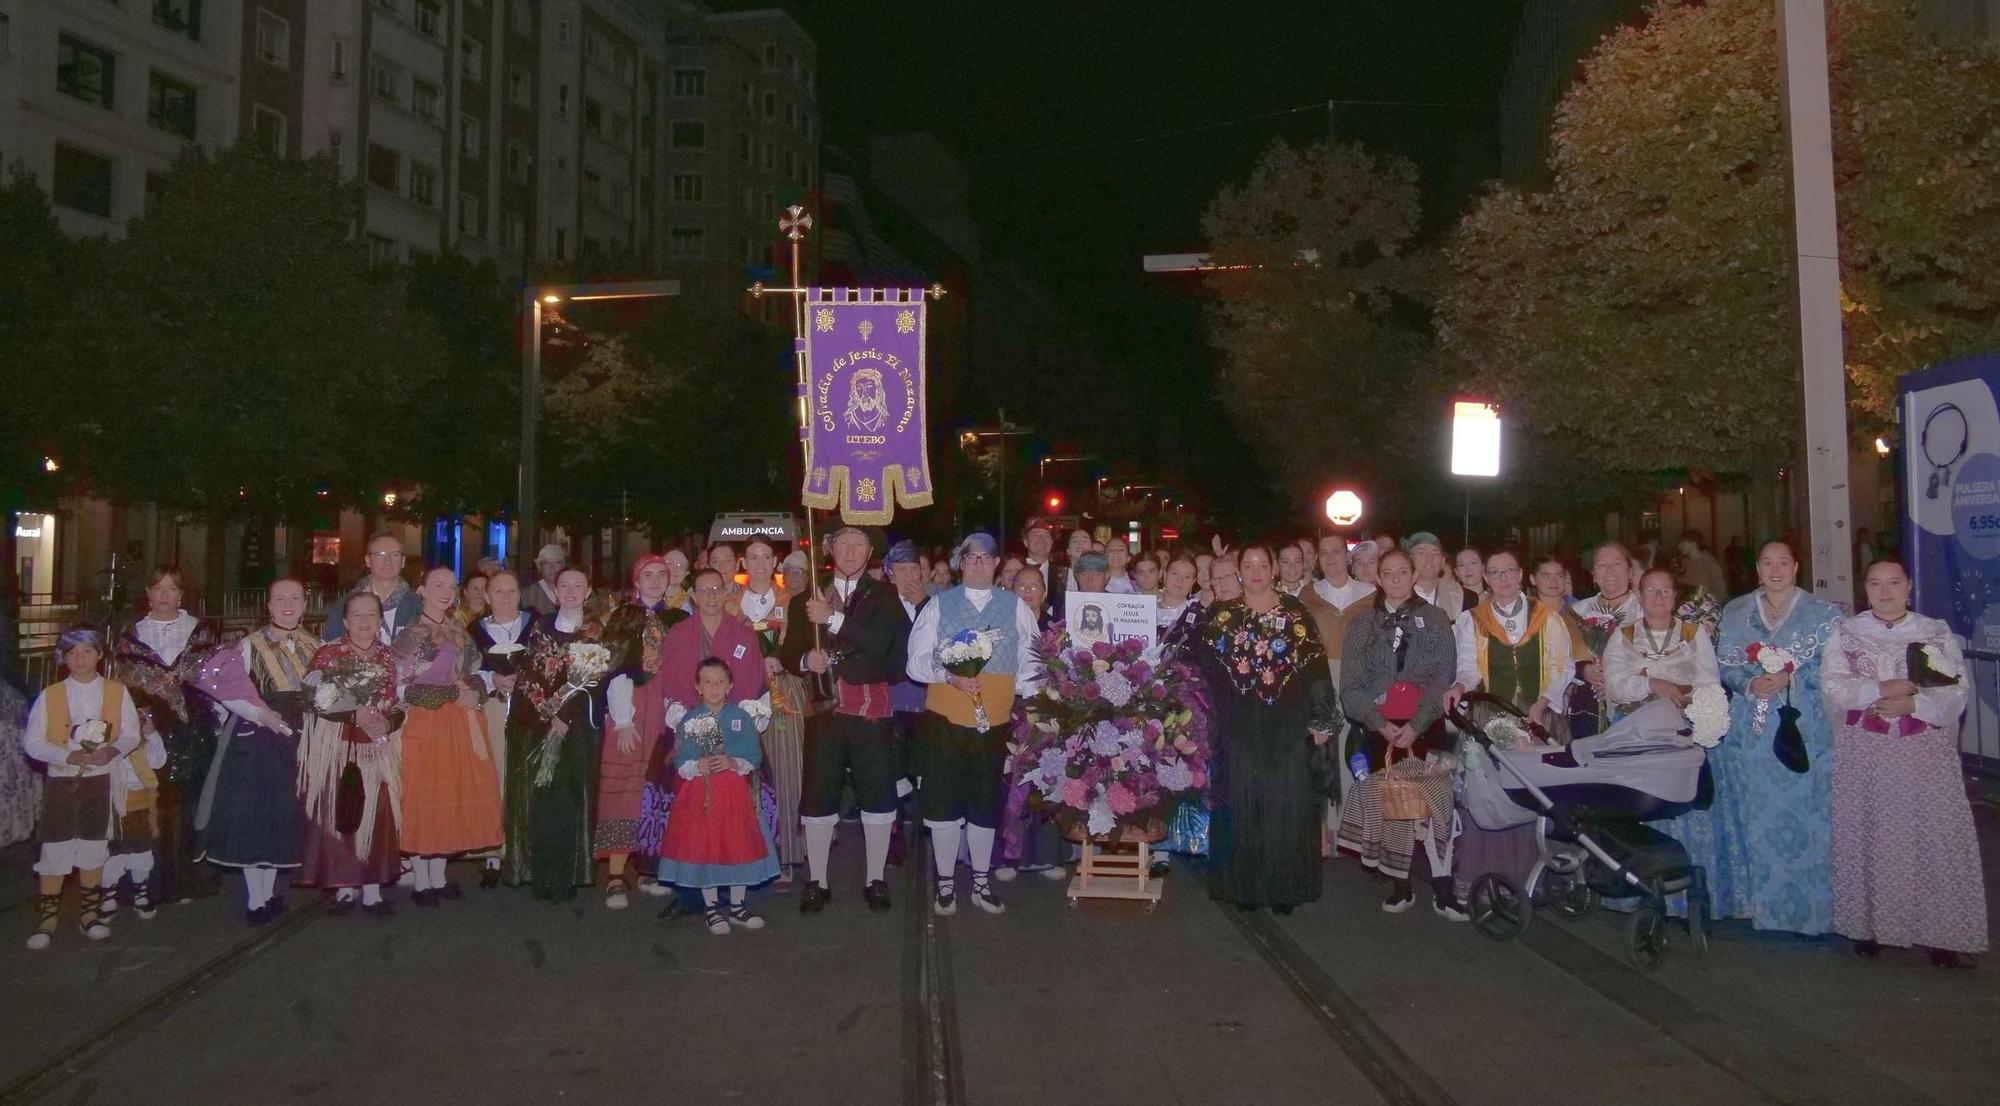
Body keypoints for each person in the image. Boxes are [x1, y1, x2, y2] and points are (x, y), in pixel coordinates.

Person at [1822, 560, 1985, 968]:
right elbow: (1832, 685)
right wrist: (1878, 690)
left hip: (1922, 750)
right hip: (1867, 751)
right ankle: (1874, 926)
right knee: (1873, 834)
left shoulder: (1933, 631)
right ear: (1865, 588)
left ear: (1909, 586)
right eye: (1875, 584)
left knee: (1933, 834)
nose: (1885, 591)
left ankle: (1942, 934)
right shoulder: (1847, 632)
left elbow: (1957, 691)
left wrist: (1915, 703)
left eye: (1894, 583)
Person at [906, 533, 1042, 915]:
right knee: (944, 803)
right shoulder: (937, 606)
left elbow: (1032, 661)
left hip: (993, 721)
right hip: (945, 719)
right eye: (970, 558)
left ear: (997, 563)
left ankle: (981, 882)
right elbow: (914, 662)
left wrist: (1033, 696)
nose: (978, 564)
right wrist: (949, 676)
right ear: (959, 562)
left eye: (985, 558)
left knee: (985, 804)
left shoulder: (1016, 608)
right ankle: (946, 883)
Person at [1710, 541, 1842, 934]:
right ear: (1757, 569)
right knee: (1755, 815)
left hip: (1804, 732)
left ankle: (1813, 911)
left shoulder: (1824, 615)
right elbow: (1727, 664)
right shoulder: (1736, 612)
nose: (1776, 569)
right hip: (1751, 734)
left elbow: (1835, 672)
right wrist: (1750, 683)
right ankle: (1761, 905)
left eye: (1783, 562)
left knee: (1808, 816)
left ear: (1797, 566)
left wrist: (1792, 677)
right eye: (1767, 563)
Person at [1201, 545, 1338, 914]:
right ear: (1240, 570)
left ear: (1274, 568)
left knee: (1287, 807)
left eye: (1264, 564)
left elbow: (1316, 669)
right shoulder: (1222, 616)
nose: (1257, 571)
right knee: (1241, 807)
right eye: (1249, 565)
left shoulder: (1295, 613)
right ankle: (1242, 888)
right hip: (1238, 727)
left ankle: (1284, 889)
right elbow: (1203, 677)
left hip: (1288, 726)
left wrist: (1321, 719)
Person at [781, 526, 910, 914]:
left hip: (870, 711)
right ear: (829, 548)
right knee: (818, 798)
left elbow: (881, 644)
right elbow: (790, 654)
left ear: (870, 550)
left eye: (858, 543)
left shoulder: (885, 595)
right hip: (824, 711)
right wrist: (807, 660)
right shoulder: (806, 598)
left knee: (877, 796)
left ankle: (876, 878)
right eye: (842, 543)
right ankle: (817, 881)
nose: (850, 550)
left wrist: (832, 619)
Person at [1336, 549, 1462, 917]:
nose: (1395, 579)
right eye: (1387, 573)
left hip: (1430, 723)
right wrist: (1380, 724)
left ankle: (1444, 887)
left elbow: (1443, 677)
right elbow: (1351, 686)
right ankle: (1400, 885)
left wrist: (1417, 724)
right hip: (1379, 727)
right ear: (1377, 577)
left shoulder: (1437, 619)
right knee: (1393, 805)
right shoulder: (1362, 624)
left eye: (1402, 572)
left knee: (1440, 802)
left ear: (1413, 574)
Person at [193, 579, 317, 924]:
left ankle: (270, 892)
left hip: (298, 738)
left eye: (295, 598)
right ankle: (256, 899)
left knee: (281, 815)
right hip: (259, 737)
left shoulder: (315, 645)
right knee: (256, 815)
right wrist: (260, 713)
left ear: (305, 604)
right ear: (269, 605)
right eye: (280, 598)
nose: (288, 604)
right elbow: (222, 688)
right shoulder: (249, 646)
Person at [21, 628, 142, 949]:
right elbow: (32, 742)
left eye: (87, 651)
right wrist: (66, 754)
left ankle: (90, 912)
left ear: (100, 655)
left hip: (101, 779)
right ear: (63, 658)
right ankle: (48, 917)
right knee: (56, 844)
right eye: (72, 653)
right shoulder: (51, 694)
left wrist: (113, 751)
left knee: (93, 843)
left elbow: (131, 732)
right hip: (63, 779)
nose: (80, 658)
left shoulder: (117, 692)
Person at [391, 567, 503, 907]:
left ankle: (438, 876)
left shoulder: (457, 630)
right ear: (421, 590)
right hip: (426, 721)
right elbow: (399, 685)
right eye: (437, 585)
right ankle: (422, 881)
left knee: (449, 794)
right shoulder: (411, 634)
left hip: (456, 721)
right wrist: (451, 692)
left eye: (450, 586)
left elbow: (476, 670)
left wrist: (472, 688)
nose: (446, 591)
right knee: (426, 794)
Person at [112, 565, 222, 905]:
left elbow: (215, 679)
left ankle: (187, 875)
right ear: (147, 593)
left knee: (191, 803)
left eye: (172, 588)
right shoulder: (132, 635)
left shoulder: (201, 632)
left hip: (194, 727)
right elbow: (124, 685)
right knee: (152, 804)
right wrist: (141, 718)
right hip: (149, 728)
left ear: (181, 594)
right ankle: (149, 879)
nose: (164, 595)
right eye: (158, 588)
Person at [297, 591, 403, 918]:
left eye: (372, 614)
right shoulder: (329, 654)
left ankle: (372, 890)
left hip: (378, 747)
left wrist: (389, 720)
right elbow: (314, 696)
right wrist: (353, 714)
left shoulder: (388, 656)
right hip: (340, 747)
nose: (365, 621)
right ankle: (344, 887)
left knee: (379, 813)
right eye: (357, 615)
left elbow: (400, 700)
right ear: (344, 621)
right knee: (342, 814)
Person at [656, 658, 780, 935]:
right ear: (697, 687)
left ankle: (738, 906)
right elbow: (682, 759)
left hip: (735, 795)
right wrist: (695, 766)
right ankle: (711, 907)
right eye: (708, 682)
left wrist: (734, 762)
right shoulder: (690, 719)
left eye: (720, 682)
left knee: (739, 846)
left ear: (730, 686)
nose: (714, 687)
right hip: (700, 796)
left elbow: (753, 754)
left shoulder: (740, 717)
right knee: (705, 848)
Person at [597, 554, 690, 908]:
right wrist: (621, 718)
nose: (654, 580)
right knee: (623, 787)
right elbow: (614, 667)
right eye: (647, 575)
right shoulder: (624, 617)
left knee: (658, 786)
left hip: (665, 708)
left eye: (661, 575)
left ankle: (651, 868)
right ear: (636, 580)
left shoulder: (679, 619)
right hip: (631, 706)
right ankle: (617, 876)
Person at [511, 569, 603, 901]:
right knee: (543, 800)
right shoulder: (540, 627)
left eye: (578, 585)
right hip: (539, 724)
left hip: (577, 728)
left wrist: (564, 715)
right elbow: (529, 674)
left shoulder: (595, 631)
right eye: (564, 585)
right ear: (554, 590)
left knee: (569, 801)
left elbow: (593, 679)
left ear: (588, 591)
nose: (571, 591)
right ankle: (542, 874)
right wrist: (547, 713)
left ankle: (567, 875)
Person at [731, 540, 802, 888]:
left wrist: (781, 659)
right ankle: (742, 852)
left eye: (766, 557)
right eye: (753, 557)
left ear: (776, 561)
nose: (759, 563)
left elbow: (803, 644)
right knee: (740, 772)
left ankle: (786, 852)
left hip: (781, 691)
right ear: (744, 561)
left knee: (785, 770)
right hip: (738, 694)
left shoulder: (791, 601)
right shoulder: (730, 603)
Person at [1445, 550, 1572, 732]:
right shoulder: (1474, 619)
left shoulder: (1546, 617)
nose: (1503, 578)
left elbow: (1562, 667)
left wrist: (1544, 702)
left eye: (1509, 570)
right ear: (1486, 577)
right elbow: (1469, 666)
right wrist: (1458, 687)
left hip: (1540, 713)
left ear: (1520, 574)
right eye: (1495, 572)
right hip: (1491, 715)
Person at [470, 571, 533, 889]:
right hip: (493, 708)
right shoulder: (475, 631)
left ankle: (525, 848)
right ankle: (493, 852)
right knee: (495, 774)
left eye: (512, 590)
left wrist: (527, 682)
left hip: (531, 711)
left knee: (526, 775)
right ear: (487, 596)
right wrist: (492, 679)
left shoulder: (536, 626)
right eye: (499, 590)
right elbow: (466, 670)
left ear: (520, 595)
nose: (506, 596)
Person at [323, 534, 424, 644]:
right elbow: (328, 650)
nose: (388, 561)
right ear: (367, 560)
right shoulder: (344, 606)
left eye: (395, 555)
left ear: (403, 561)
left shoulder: (417, 606)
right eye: (380, 554)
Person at [1406, 533, 1466, 621]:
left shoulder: (1460, 595)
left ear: (1442, 561)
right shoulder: (1398, 593)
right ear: (1410, 559)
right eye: (1421, 553)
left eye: (1436, 553)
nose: (1429, 559)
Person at [1675, 530, 1730, 601]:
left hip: (1705, 607)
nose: (1679, 547)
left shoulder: (1710, 563)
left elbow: (1721, 592)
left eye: (1682, 544)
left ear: (1693, 543)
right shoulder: (1683, 563)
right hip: (1686, 607)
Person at [525, 544, 569, 616]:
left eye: (557, 563)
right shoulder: (528, 595)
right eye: (546, 563)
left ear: (563, 565)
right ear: (539, 567)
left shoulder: (577, 588)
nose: (552, 568)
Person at [1013, 563, 1055, 632]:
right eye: (1021, 586)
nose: (1028, 590)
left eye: (1034, 587)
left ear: (1044, 593)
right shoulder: (1003, 623)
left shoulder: (1054, 629)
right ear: (1012, 592)